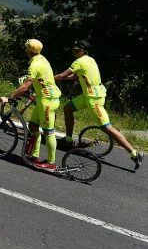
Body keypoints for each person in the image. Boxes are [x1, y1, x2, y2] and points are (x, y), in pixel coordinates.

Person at [54, 40, 143, 170]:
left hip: (93, 99)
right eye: (74, 49)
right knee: (67, 108)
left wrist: (48, 78)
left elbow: (62, 75)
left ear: (83, 51)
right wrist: (60, 78)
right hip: (91, 95)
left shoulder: (78, 62)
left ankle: (134, 154)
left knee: (107, 128)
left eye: (77, 50)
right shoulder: (90, 60)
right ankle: (68, 140)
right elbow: (74, 76)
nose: (74, 51)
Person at [0, 39, 61, 171]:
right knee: (33, 126)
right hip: (43, 99)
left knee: (49, 132)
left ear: (28, 50)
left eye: (26, 48)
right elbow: (40, 80)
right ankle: (34, 155)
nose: (25, 50)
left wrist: (10, 98)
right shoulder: (41, 58)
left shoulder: (34, 65)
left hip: (48, 101)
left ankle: (51, 163)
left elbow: (26, 85)